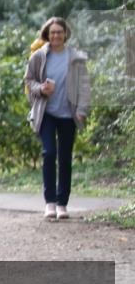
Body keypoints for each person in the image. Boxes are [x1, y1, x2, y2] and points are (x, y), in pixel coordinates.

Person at [24, 17, 90, 221]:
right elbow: (28, 81)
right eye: (52, 32)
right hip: (47, 113)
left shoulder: (76, 58)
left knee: (65, 159)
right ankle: (50, 203)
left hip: (68, 115)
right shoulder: (39, 56)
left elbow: (84, 86)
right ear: (47, 34)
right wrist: (41, 88)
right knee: (49, 153)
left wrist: (82, 109)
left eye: (59, 32)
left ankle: (62, 204)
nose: (56, 36)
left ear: (65, 34)